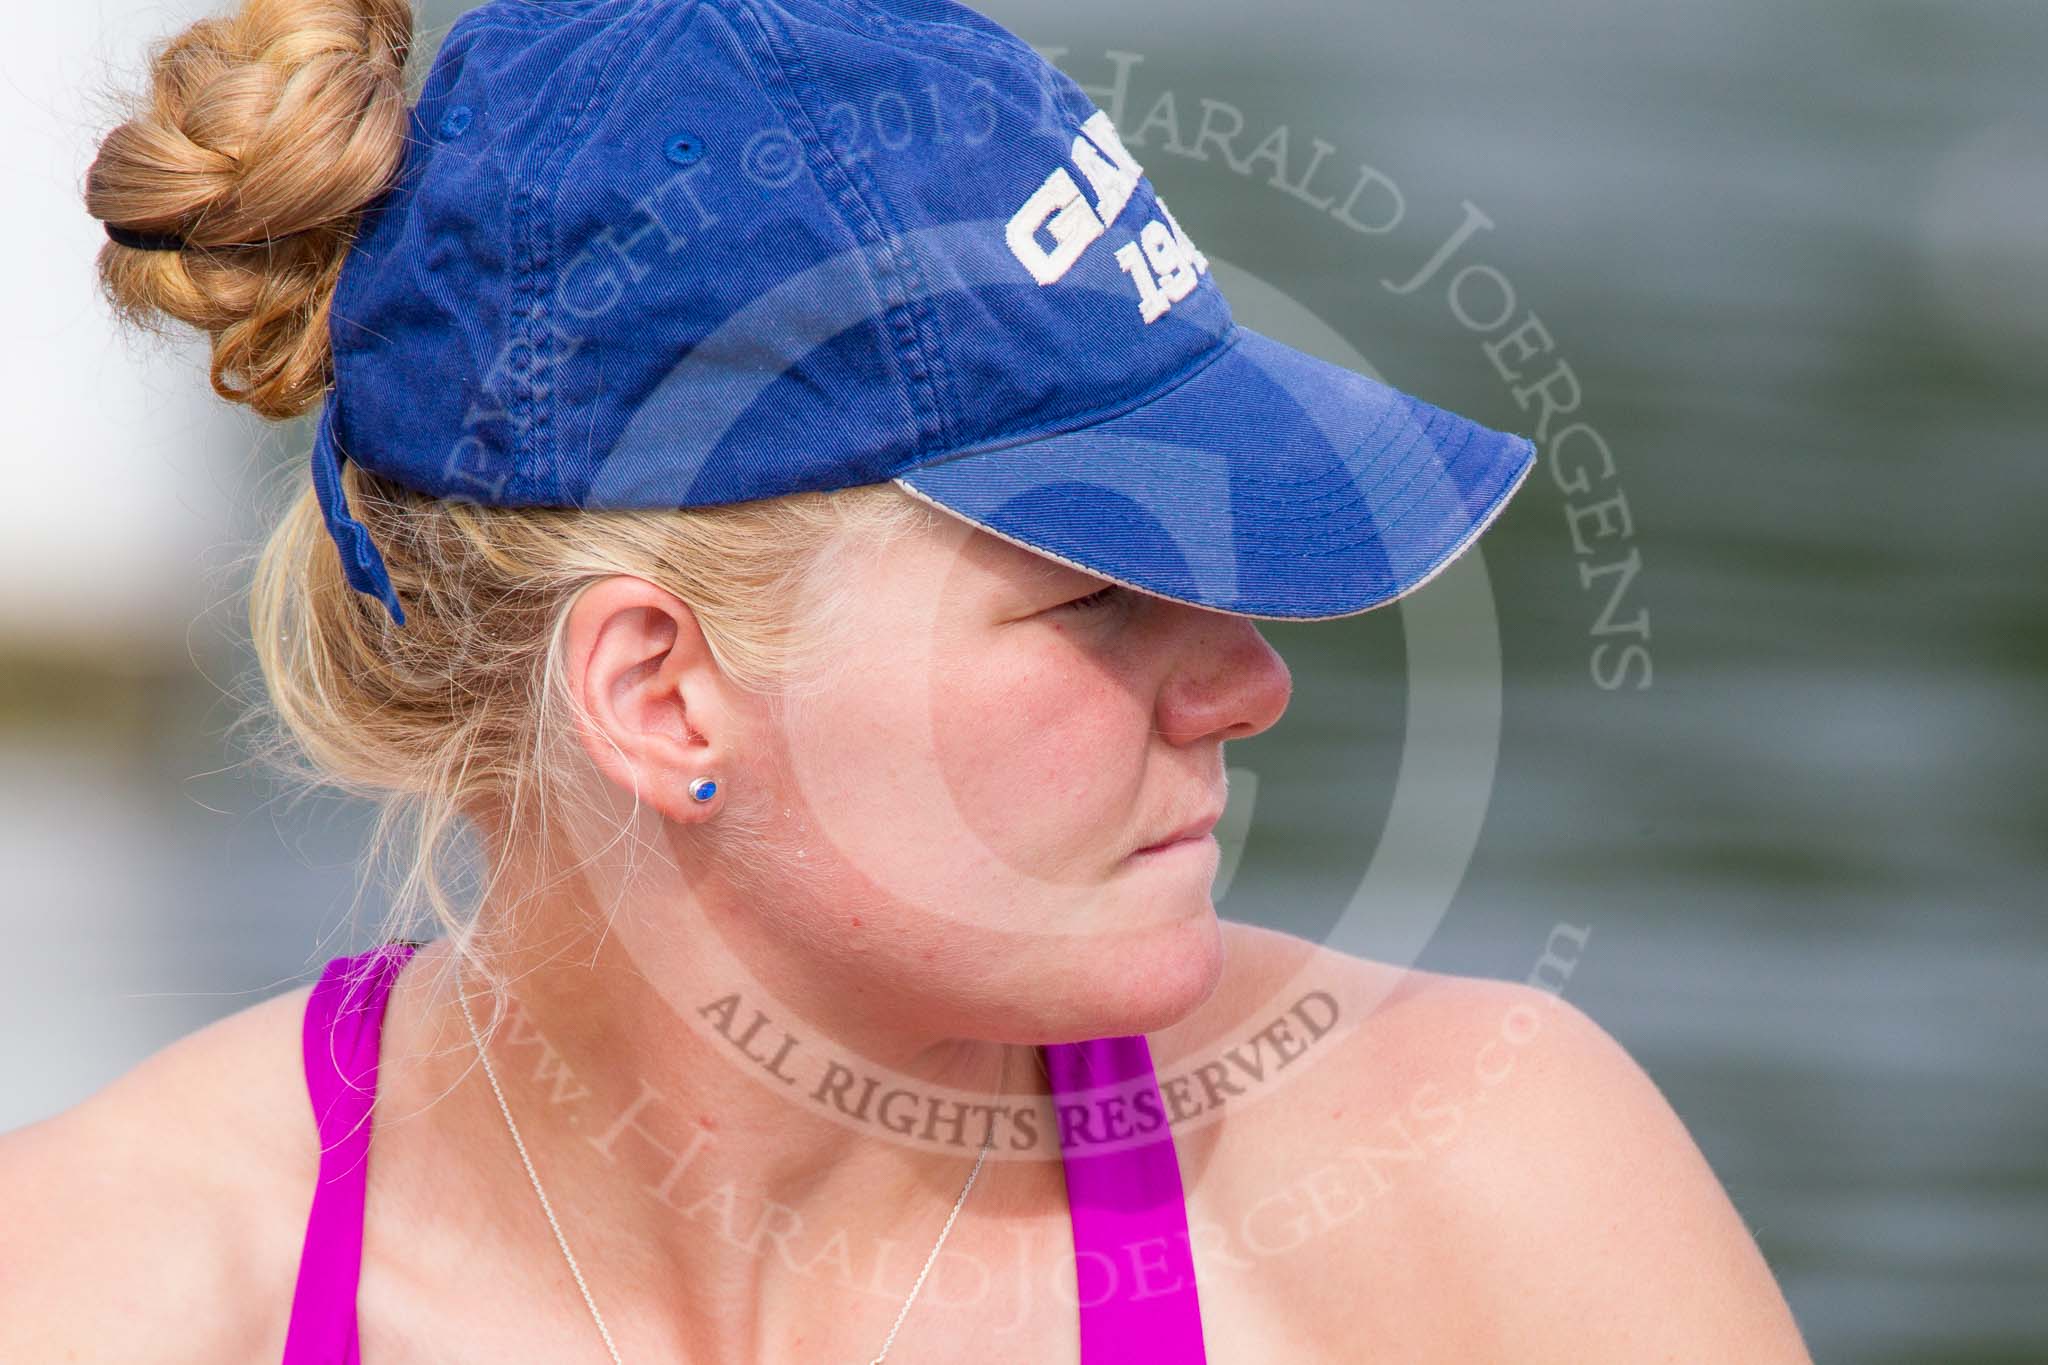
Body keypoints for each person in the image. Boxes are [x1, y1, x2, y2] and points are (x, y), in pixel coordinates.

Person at [0, 0, 1815, 1360]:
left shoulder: (1482, 1201)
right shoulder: (111, 1290)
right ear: (659, 692)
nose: (1252, 681)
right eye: (1102, 593)